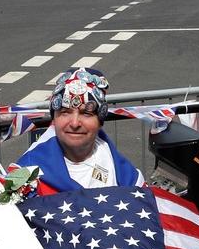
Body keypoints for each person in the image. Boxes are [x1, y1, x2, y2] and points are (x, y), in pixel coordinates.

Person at [13, 67, 144, 193]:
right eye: (65, 112)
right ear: (54, 119)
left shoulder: (125, 174)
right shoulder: (27, 171)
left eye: (86, 113)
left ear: (99, 121)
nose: (75, 123)